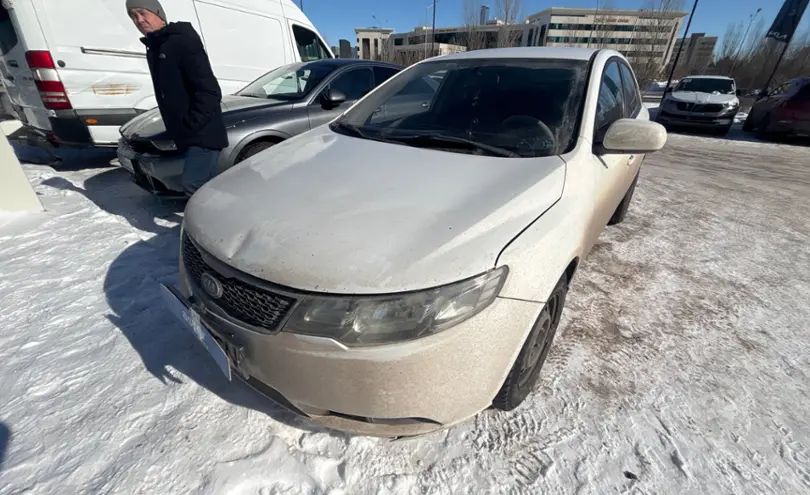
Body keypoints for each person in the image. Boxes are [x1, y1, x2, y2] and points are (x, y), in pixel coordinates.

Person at [126, 0, 228, 196]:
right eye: (133, 16)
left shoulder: (182, 41)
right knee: (209, 187)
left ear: (158, 13)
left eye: (142, 13)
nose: (139, 20)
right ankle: (222, 222)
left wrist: (191, 125)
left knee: (194, 185)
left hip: (202, 134)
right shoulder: (155, 47)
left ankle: (207, 225)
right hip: (187, 135)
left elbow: (210, 91)